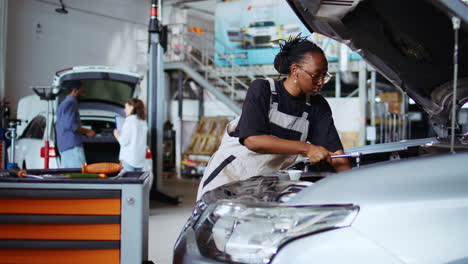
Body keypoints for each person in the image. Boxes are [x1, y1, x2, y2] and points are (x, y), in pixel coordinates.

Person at [197, 35, 351, 199]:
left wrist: (351, 187)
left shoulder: (317, 107)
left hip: (263, 183)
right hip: (229, 174)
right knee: (213, 222)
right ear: (295, 70)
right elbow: (253, 141)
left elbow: (337, 157)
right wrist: (307, 148)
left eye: (325, 76)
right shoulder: (263, 89)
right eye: (316, 75)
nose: (321, 82)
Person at [56, 80, 96, 168]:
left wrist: (79, 123)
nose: (84, 91)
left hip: (64, 145)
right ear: (75, 90)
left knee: (68, 176)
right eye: (82, 89)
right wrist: (87, 131)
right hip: (72, 146)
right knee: (80, 174)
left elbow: (65, 122)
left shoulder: (63, 104)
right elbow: (69, 125)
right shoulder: (71, 103)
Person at [113, 98, 148, 171]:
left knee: (127, 181)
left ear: (131, 107)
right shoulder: (143, 121)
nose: (124, 110)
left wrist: (116, 134)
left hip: (129, 160)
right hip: (140, 160)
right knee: (137, 181)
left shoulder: (129, 121)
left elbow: (123, 142)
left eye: (126, 107)